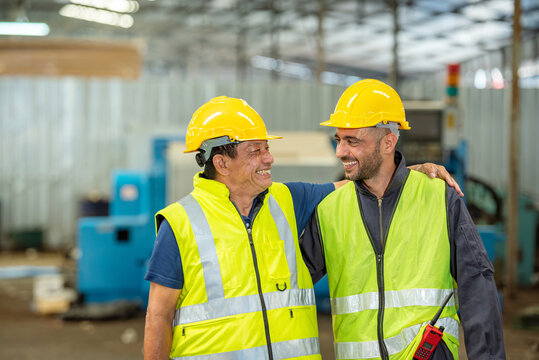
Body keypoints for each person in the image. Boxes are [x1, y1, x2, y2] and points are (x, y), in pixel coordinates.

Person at [143, 96, 462, 360]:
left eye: (266, 148)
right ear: (221, 163)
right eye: (255, 151)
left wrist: (408, 171)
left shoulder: (285, 200)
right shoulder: (181, 223)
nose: (269, 158)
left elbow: (353, 186)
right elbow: (158, 317)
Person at [300, 79, 505, 360]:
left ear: (388, 142)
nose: (340, 152)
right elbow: (288, 288)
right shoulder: (329, 210)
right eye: (339, 140)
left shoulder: (439, 198)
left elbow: (477, 286)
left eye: (352, 141)